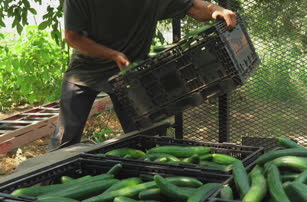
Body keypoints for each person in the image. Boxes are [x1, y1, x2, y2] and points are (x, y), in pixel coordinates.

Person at [48, 0, 237, 151]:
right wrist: (112, 55)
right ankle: (44, 186)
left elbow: (192, 6)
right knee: (65, 141)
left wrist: (216, 10)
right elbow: (73, 37)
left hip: (129, 75)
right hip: (84, 72)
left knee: (144, 140)